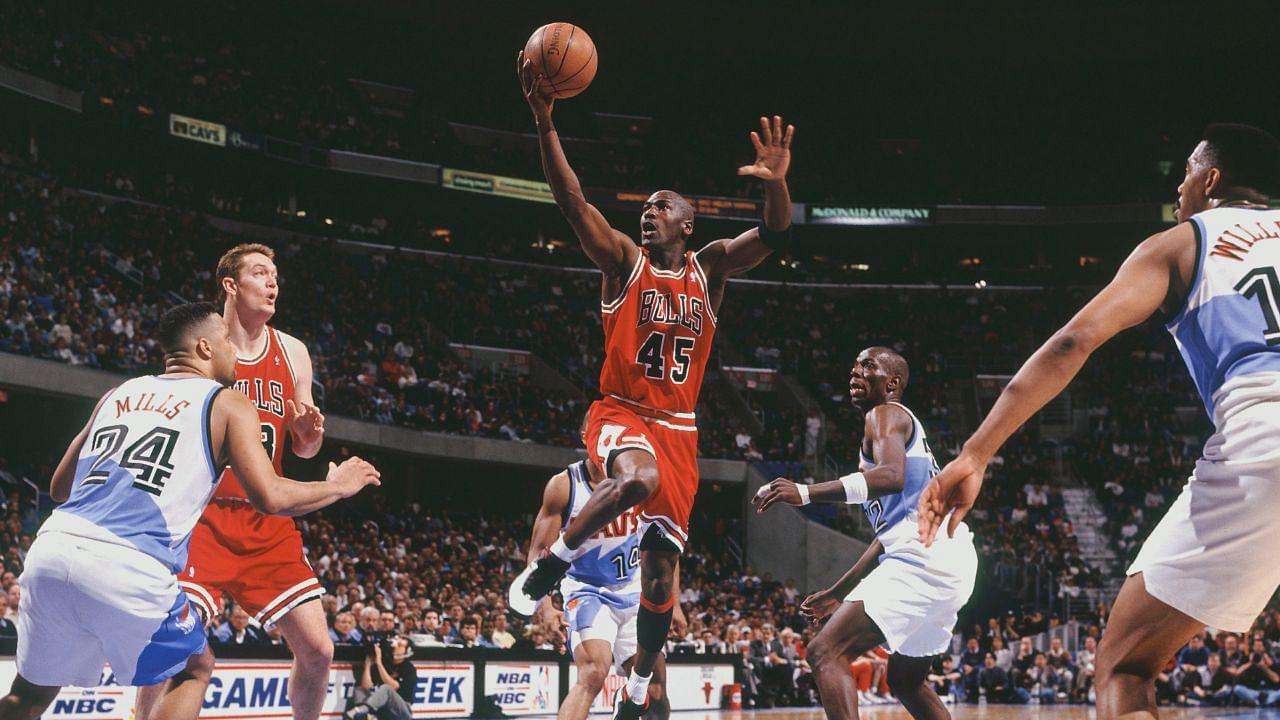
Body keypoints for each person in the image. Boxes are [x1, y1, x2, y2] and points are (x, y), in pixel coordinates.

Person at [918, 123, 1280, 720]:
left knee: (1127, 665)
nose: (1180, 182)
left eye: (1187, 168)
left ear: (1211, 178)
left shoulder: (1181, 243)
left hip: (1260, 433)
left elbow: (1071, 344)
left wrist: (975, 454)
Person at [510, 51, 794, 720]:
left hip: (681, 429)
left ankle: (638, 690)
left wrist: (777, 183)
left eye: (662, 209)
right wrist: (545, 122)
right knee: (633, 481)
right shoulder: (623, 264)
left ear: (688, 225)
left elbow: (778, 231)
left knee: (663, 572)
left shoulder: (710, 270)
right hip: (621, 411)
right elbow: (573, 201)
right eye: (645, 207)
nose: (648, 214)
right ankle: (554, 563)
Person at [0, 302, 379, 720]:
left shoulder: (118, 392)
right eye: (225, 343)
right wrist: (337, 486)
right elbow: (269, 497)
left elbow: (59, 487)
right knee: (194, 669)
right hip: (127, 561)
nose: (234, 351)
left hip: (51, 552)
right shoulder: (227, 401)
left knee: (28, 696)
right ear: (203, 347)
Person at [136, 244, 334, 720]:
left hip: (267, 519)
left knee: (319, 650)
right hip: (201, 516)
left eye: (276, 276)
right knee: (174, 650)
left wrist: (307, 439)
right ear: (231, 284)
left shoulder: (293, 351)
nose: (273, 284)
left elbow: (303, 449)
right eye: (261, 273)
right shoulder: (205, 343)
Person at [753, 347, 977, 720]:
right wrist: (837, 593)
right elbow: (888, 536)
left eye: (868, 366)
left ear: (893, 383)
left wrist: (805, 492)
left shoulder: (885, 414)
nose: (855, 372)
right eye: (854, 366)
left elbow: (891, 477)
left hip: (925, 556)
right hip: (946, 556)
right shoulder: (891, 429)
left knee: (826, 652)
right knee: (906, 680)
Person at [518, 458, 677, 720]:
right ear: (589, 438)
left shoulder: (644, 478)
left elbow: (666, 546)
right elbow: (538, 550)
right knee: (593, 673)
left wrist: (676, 603)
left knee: (655, 686)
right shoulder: (565, 486)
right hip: (587, 590)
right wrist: (546, 607)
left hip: (636, 590)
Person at [345, 636, 417, 720]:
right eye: (396, 643)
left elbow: (393, 687)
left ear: (407, 651)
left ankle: (361, 711)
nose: (395, 646)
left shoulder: (409, 668)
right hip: (383, 707)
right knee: (360, 690)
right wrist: (368, 665)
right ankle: (365, 716)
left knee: (386, 688)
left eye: (399, 645)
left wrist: (379, 663)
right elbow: (366, 686)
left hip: (402, 710)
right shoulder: (385, 664)